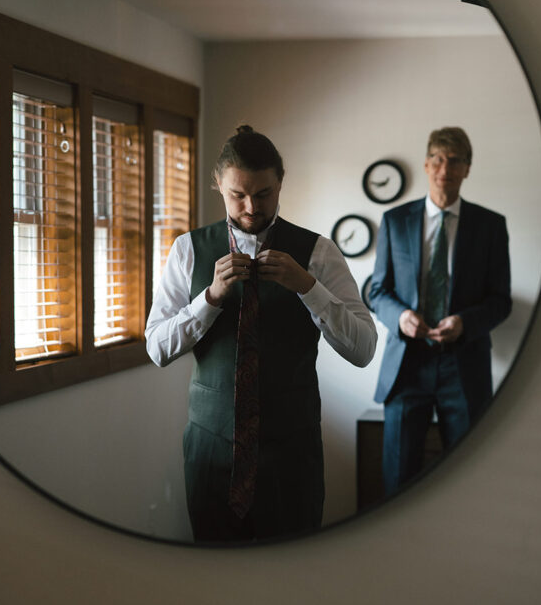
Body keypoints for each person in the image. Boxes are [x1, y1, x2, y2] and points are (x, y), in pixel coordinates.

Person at [145, 125, 376, 543]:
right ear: (218, 185)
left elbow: (363, 348)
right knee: (215, 581)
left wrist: (309, 287)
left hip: (292, 458)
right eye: (238, 194)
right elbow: (157, 349)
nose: (251, 206)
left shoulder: (319, 254)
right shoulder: (188, 251)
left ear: (281, 183)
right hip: (210, 457)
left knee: (292, 581)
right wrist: (209, 298)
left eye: (264, 193)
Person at [369, 126, 511, 495]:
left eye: (454, 160)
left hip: (463, 367)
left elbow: (501, 300)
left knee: (468, 481)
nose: (444, 168)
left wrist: (465, 322)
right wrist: (401, 317)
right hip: (406, 365)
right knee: (397, 482)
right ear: (426, 165)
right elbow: (376, 290)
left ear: (467, 168)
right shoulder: (394, 221)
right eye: (437, 159)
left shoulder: (491, 226)